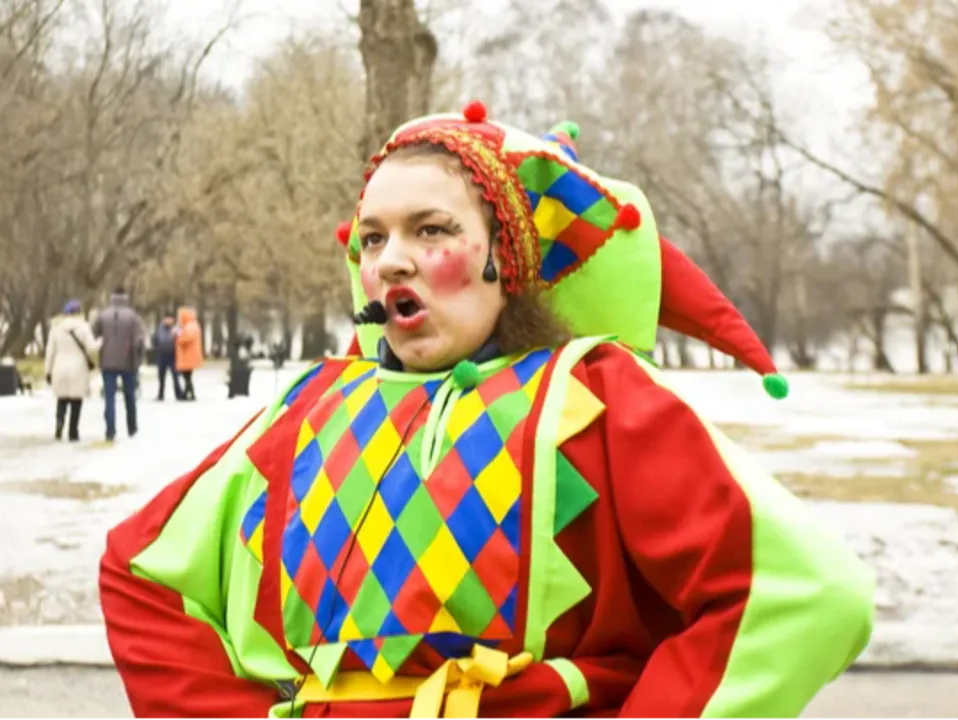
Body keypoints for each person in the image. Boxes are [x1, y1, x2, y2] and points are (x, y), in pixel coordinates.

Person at [99, 103, 874, 720]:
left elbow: (805, 593)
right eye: (373, 238)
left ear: (506, 258)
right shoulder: (304, 410)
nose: (391, 258)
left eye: (431, 229)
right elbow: (142, 575)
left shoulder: (594, 398)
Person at [92, 288, 145, 441]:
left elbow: (93, 334)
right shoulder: (133, 317)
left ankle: (110, 430)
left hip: (107, 362)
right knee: (130, 396)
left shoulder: (103, 315)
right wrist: (138, 358)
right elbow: (138, 340)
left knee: (109, 397)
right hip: (128, 362)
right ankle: (132, 427)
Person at [44, 299, 98, 441]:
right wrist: (102, 342)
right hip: (78, 367)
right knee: (76, 399)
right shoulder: (84, 327)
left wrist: (47, 371)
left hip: (59, 366)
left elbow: (50, 351)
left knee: (61, 398)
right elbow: (92, 347)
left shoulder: (56, 328)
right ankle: (73, 430)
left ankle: (59, 423)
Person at [175, 306, 203, 400]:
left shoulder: (190, 326)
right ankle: (188, 393)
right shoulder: (191, 325)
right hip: (188, 355)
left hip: (188, 355)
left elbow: (185, 338)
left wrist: (178, 335)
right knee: (187, 376)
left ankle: (189, 394)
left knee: (187, 376)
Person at [153, 315, 183, 401]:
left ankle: (179, 394)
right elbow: (155, 340)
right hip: (161, 355)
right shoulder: (159, 329)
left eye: (170, 319)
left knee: (175, 376)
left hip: (173, 355)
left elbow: (181, 339)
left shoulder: (177, 329)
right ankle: (160, 394)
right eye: (167, 319)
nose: (168, 321)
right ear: (163, 320)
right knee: (161, 376)